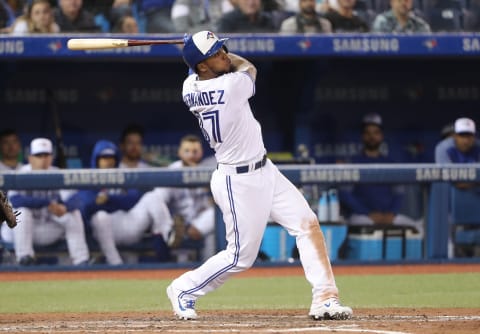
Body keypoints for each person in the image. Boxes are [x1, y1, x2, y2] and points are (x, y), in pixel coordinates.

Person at [166, 30, 352, 321]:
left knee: (307, 224)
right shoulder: (232, 86)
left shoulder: (189, 85)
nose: (225, 55)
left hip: (265, 169)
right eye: (215, 54)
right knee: (240, 256)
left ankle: (325, 297)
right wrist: (195, 45)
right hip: (236, 181)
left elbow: (205, 67)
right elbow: (249, 67)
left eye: (223, 49)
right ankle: (184, 288)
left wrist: (198, 48)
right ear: (202, 66)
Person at [0, 138, 90, 266]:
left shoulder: (57, 173)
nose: (43, 159)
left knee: (73, 214)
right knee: (22, 212)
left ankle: (81, 261)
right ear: (30, 158)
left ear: (51, 157)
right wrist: (47, 203)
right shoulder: (20, 173)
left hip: (45, 228)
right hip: (16, 231)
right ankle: (25, 258)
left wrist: (65, 207)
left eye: (46, 155)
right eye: (38, 155)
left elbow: (76, 199)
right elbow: (15, 200)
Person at [338, 113, 422, 232]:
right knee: (358, 225)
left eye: (375, 133)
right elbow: (345, 194)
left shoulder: (390, 164)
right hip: (362, 216)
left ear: (381, 136)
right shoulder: (353, 163)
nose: (372, 137)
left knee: (417, 228)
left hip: (388, 216)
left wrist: (391, 213)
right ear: (362, 136)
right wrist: (368, 213)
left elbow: (399, 193)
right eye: (368, 133)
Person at [163, 134, 216, 260]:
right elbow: (162, 199)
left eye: (195, 151)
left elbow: (217, 199)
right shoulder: (172, 170)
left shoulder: (208, 169)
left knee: (216, 217)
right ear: (179, 152)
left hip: (199, 222)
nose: (191, 155)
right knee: (182, 260)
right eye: (187, 151)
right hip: (177, 222)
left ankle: (208, 271)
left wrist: (201, 178)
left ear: (201, 153)